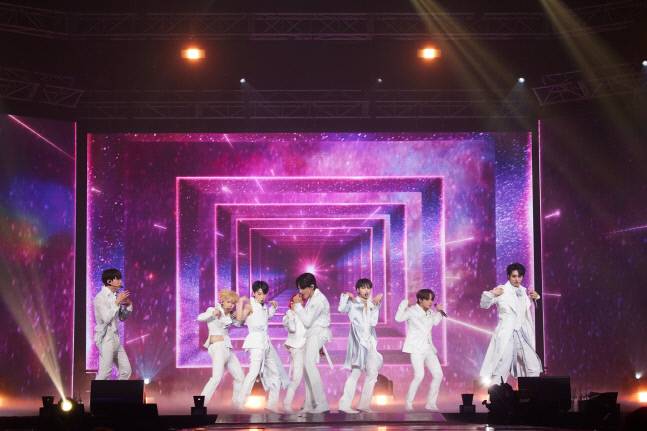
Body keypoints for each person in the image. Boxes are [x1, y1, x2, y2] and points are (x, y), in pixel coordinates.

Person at [479, 262, 542, 385]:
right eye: (514, 276)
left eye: (520, 276)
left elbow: (528, 306)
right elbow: (484, 304)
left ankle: (531, 393)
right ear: (508, 276)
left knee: (533, 366)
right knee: (501, 368)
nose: (517, 279)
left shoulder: (524, 291)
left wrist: (536, 297)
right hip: (507, 334)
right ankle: (495, 394)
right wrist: (492, 294)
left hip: (522, 335)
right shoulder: (502, 289)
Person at [235, 280, 289, 413]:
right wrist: (240, 303)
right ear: (253, 293)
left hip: (266, 342)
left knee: (275, 372)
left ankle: (272, 405)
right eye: (259, 293)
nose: (262, 296)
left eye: (264, 293)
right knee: (254, 372)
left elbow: (266, 318)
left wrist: (274, 308)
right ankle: (240, 401)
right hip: (255, 342)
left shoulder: (263, 306)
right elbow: (239, 320)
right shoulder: (250, 305)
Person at [337, 278, 384, 413]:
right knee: (356, 373)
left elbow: (373, 322)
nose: (366, 290)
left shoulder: (371, 303)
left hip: (370, 342)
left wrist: (376, 305)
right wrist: (345, 296)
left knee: (372, 374)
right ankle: (344, 405)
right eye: (363, 288)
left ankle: (364, 405)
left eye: (368, 288)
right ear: (357, 289)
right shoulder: (353, 302)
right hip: (358, 342)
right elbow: (341, 309)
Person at [395, 288, 445, 411]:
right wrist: (404, 303)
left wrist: (439, 312)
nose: (430, 302)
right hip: (416, 348)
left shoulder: (430, 312)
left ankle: (430, 403)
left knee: (438, 375)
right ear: (420, 300)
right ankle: (408, 403)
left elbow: (435, 322)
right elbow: (398, 318)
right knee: (419, 376)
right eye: (428, 299)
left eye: (432, 299)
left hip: (429, 348)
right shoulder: (411, 311)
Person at [292, 272, 332, 414]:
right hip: (313, 334)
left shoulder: (318, 300)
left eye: (302, 288)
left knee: (309, 365)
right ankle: (310, 403)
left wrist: (298, 306)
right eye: (299, 288)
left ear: (312, 286)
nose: (300, 291)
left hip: (317, 333)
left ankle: (322, 403)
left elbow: (308, 322)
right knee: (306, 367)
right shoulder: (312, 299)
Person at [197, 289, 245, 406]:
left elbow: (239, 324)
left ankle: (236, 405)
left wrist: (239, 313)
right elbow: (200, 317)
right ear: (222, 301)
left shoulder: (230, 316)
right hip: (217, 347)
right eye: (228, 302)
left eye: (233, 303)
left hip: (227, 348)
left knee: (240, 377)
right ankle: (200, 405)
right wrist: (212, 313)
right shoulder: (213, 309)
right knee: (216, 378)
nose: (231, 305)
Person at [94, 268, 133, 380]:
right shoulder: (100, 298)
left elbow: (122, 317)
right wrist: (117, 302)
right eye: (118, 279)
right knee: (105, 373)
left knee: (126, 371)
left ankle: (116, 392)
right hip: (105, 338)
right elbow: (106, 318)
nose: (121, 281)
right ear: (109, 281)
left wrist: (129, 305)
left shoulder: (115, 296)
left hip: (116, 338)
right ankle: (97, 392)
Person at [282, 293, 307, 413]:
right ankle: (286, 403)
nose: (300, 300)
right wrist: (291, 314)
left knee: (310, 377)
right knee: (297, 377)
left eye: (301, 299)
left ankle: (308, 404)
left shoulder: (305, 314)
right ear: (291, 303)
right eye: (297, 299)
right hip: (296, 348)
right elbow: (292, 329)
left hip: (306, 347)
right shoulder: (288, 316)